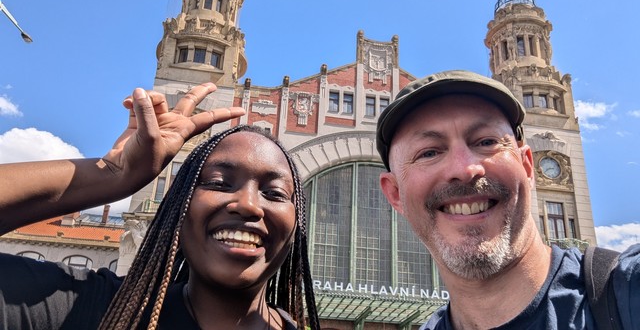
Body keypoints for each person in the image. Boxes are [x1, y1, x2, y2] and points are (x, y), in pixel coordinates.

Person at [0, 83, 320, 330]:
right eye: (219, 183)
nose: (249, 205)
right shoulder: (89, 310)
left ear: (297, 226)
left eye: (275, 193)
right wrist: (111, 176)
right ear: (178, 206)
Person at [376, 70, 639, 329]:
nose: (465, 169)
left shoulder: (627, 290)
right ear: (395, 194)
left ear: (527, 166)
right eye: (429, 152)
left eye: (486, 141)